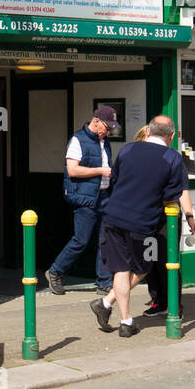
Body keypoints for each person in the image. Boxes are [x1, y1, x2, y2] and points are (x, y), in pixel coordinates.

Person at [90, 115, 194, 337]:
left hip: (113, 218)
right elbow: (170, 195)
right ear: (172, 136)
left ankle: (122, 317)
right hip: (142, 224)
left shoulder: (128, 150)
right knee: (144, 266)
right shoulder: (172, 158)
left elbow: (115, 178)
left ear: (149, 131)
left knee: (121, 269)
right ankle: (111, 308)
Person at [46, 105, 119, 295]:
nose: (109, 131)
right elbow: (73, 170)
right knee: (81, 240)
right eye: (107, 127)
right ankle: (55, 271)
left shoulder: (105, 141)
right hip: (85, 198)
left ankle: (104, 282)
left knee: (105, 241)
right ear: (96, 121)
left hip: (104, 196)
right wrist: (100, 171)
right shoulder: (78, 140)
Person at [135, 123, 195, 316]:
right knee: (150, 260)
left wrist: (189, 216)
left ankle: (174, 304)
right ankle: (158, 301)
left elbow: (183, 190)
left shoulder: (172, 159)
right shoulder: (138, 162)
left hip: (167, 219)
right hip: (146, 218)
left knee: (167, 260)